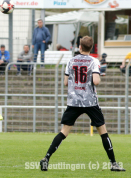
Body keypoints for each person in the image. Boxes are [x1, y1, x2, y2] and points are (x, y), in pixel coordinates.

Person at [39, 36, 125, 172]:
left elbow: (66, 82)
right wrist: (97, 78)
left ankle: (46, 158)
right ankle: (113, 163)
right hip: (90, 101)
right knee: (103, 131)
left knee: (64, 131)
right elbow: (96, 81)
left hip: (74, 101)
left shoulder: (71, 61)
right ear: (91, 48)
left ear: (79, 46)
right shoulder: (94, 61)